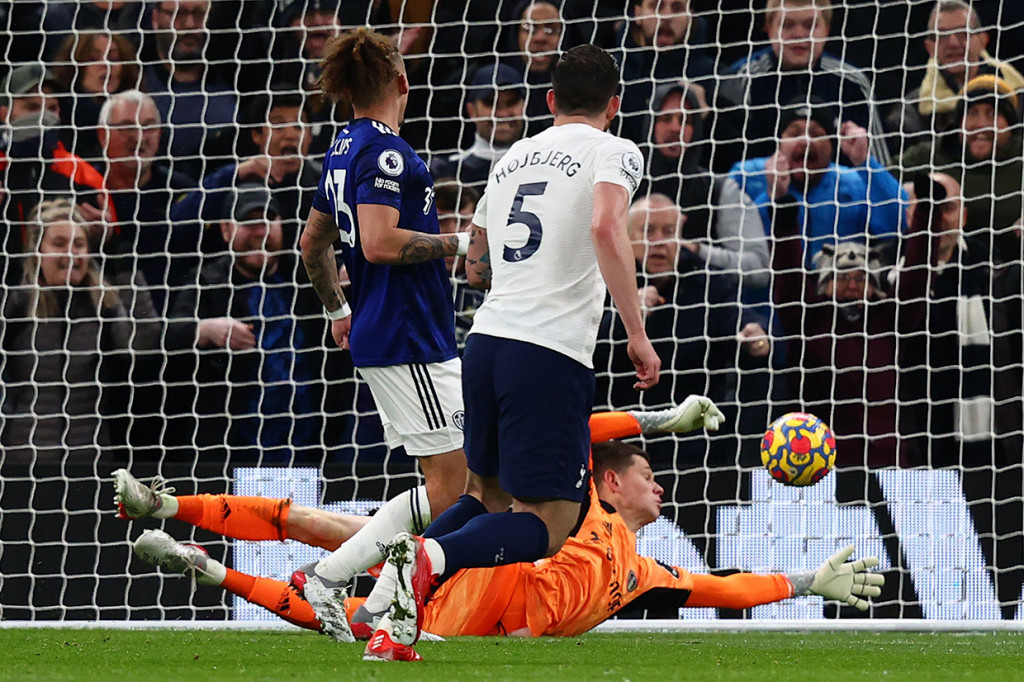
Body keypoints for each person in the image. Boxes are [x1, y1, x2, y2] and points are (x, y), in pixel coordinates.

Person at [355, 44, 663, 661]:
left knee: (485, 496)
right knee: (548, 525)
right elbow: (606, 227)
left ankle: (379, 602)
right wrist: (636, 331)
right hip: (548, 352)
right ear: (616, 105)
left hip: (487, 342)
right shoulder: (615, 150)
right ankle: (425, 559)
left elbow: (475, 264)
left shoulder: (512, 156)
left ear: (549, 101)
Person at [121, 409, 882, 641]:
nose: (663, 485)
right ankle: (172, 509)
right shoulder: (573, 497)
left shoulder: (642, 570)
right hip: (466, 545)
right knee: (326, 533)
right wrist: (666, 419)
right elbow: (580, 425)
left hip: (459, 605)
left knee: (341, 608)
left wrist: (808, 581)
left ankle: (202, 563)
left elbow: (723, 590)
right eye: (649, 472)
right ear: (612, 481)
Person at [293, 28, 473, 637]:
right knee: (460, 489)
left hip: (392, 333)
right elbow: (376, 243)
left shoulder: (343, 148)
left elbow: (311, 244)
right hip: (407, 335)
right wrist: (462, 244)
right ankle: (373, 596)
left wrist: (337, 311)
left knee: (453, 483)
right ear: (402, 81)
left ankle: (339, 584)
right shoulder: (388, 154)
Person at [162, 184, 344, 464]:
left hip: (311, 443)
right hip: (233, 448)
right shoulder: (208, 280)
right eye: (248, 222)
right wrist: (207, 330)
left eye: (268, 220)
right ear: (225, 229)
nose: (260, 232)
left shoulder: (306, 275)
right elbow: (168, 334)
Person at [769, 170, 936, 468]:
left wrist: (926, 212)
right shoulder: (807, 320)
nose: (852, 284)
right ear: (822, 285)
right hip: (818, 459)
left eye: (861, 279)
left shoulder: (889, 319)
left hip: (887, 457)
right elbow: (788, 275)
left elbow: (917, 276)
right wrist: (784, 218)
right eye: (841, 277)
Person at [0, 199, 158, 464]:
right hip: (22, 460)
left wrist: (124, 261)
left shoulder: (105, 306)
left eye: (79, 244)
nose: (71, 253)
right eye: (59, 244)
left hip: (91, 460)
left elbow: (144, 344)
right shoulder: (16, 306)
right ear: (37, 250)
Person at [730, 98, 904, 269]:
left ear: (832, 146)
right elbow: (734, 243)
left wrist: (864, 163)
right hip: (767, 293)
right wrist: (772, 196)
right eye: (795, 133)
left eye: (816, 134)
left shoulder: (856, 182)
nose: (805, 141)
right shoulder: (746, 176)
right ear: (779, 142)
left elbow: (898, 226)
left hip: (839, 289)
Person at [724, 0, 891, 165]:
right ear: (769, 29)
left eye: (810, 25)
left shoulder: (852, 83)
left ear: (827, 30)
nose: (799, 34)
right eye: (787, 25)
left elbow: (881, 170)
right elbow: (729, 171)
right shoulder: (743, 81)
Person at [640, 81, 769, 288]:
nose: (676, 128)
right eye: (666, 118)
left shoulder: (720, 191)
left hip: (704, 312)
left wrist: (697, 251)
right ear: (650, 124)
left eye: (686, 121)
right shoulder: (624, 184)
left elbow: (759, 268)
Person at [0, 63, 118, 284]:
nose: (44, 117)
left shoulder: (83, 175)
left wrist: (105, 237)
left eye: (51, 108)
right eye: (33, 107)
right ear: (5, 114)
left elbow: (111, 248)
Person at [169, 91, 321, 252]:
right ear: (256, 135)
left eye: (298, 126)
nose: (290, 135)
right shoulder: (234, 180)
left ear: (310, 136)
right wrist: (234, 174)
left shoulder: (326, 183)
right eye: (278, 125)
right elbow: (176, 225)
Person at [898, 75, 1024, 265]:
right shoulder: (929, 156)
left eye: (992, 114)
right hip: (937, 268)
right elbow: (884, 187)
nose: (981, 124)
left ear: (1010, 125)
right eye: (972, 113)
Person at [96, 89, 195, 313]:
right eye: (127, 126)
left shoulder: (184, 192)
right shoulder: (85, 194)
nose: (139, 137)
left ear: (159, 135)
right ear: (103, 135)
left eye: (148, 126)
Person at [887, 0, 1024, 149]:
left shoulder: (1019, 97)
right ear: (929, 47)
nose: (953, 43)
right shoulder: (909, 115)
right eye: (942, 35)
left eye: (963, 34)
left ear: (983, 40)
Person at [142, 0, 238, 182]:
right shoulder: (135, 81)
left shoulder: (238, 78)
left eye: (200, 14)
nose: (190, 25)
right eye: (179, 14)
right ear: (155, 18)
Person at [614, 0, 718, 145]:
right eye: (656, 6)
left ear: (690, 16)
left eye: (677, 8)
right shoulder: (612, 72)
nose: (667, 16)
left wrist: (706, 115)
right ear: (638, 13)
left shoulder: (712, 74)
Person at [429, 64, 527, 193]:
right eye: (491, 103)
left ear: (524, 106)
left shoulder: (543, 166)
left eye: (511, 103)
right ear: (472, 111)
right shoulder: (445, 171)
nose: (503, 114)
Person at [52, 31, 141, 165]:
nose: (106, 64)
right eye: (93, 58)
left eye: (113, 58)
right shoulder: (61, 119)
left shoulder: (141, 112)